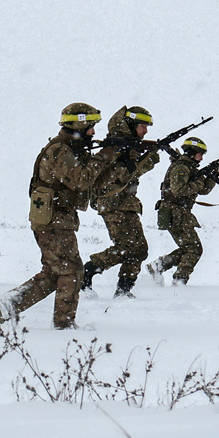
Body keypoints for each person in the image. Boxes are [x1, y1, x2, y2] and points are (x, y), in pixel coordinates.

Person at [0, 104, 116, 329]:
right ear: (79, 124)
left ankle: (9, 303)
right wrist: (105, 156)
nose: (94, 133)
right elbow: (81, 180)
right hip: (53, 220)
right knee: (72, 270)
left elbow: (90, 181)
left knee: (54, 272)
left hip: (54, 218)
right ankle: (63, 324)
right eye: (90, 127)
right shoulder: (59, 150)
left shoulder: (69, 149)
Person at [81, 106, 161, 298]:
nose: (146, 131)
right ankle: (86, 273)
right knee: (126, 248)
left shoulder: (128, 147)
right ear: (131, 125)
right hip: (113, 205)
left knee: (140, 249)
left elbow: (129, 174)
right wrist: (148, 161)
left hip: (126, 204)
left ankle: (124, 291)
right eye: (143, 126)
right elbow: (113, 179)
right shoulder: (115, 148)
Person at [146, 137, 219, 286]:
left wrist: (211, 177)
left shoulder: (189, 168)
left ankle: (159, 266)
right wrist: (199, 181)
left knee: (190, 248)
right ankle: (179, 280)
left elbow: (203, 191)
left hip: (179, 213)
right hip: (175, 213)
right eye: (200, 153)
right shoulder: (181, 167)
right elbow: (179, 190)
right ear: (192, 152)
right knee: (194, 249)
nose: (201, 157)